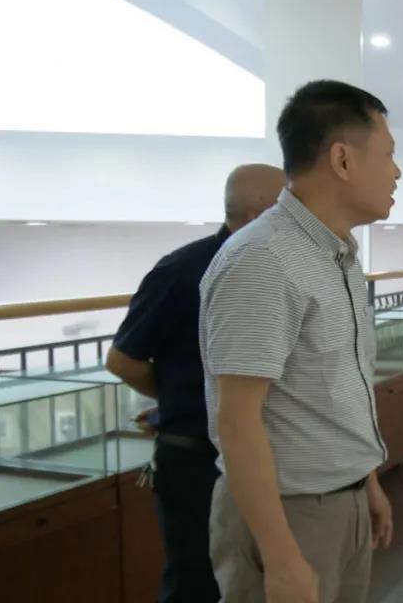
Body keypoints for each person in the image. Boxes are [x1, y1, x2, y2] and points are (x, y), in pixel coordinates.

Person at [199, 79, 400, 603]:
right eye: (388, 154)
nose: (397, 172)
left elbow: (335, 390)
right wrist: (282, 557)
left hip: (342, 501)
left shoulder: (338, 255)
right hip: (289, 513)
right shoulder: (263, 259)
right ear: (342, 159)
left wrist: (366, 482)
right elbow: (236, 420)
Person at [106, 163, 285, 603]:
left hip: (267, 451)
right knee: (198, 582)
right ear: (260, 214)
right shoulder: (183, 270)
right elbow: (123, 360)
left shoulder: (281, 268)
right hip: (197, 461)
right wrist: (184, 398)